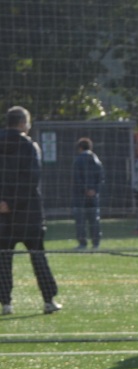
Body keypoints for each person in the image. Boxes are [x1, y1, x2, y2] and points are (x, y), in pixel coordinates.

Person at [0, 106, 60, 315]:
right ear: (23, 123)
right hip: (28, 213)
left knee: (3, 259)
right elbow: (31, 179)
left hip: (3, 216)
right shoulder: (29, 146)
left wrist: (3, 202)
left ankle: (6, 303)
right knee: (38, 256)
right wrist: (14, 202)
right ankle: (48, 300)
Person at [71, 137, 104, 250]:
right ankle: (96, 243)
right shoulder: (97, 160)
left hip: (80, 196)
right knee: (94, 220)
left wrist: (85, 189)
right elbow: (101, 178)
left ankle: (82, 243)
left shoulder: (77, 161)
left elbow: (76, 178)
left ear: (80, 148)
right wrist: (94, 190)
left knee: (80, 221)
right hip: (94, 195)